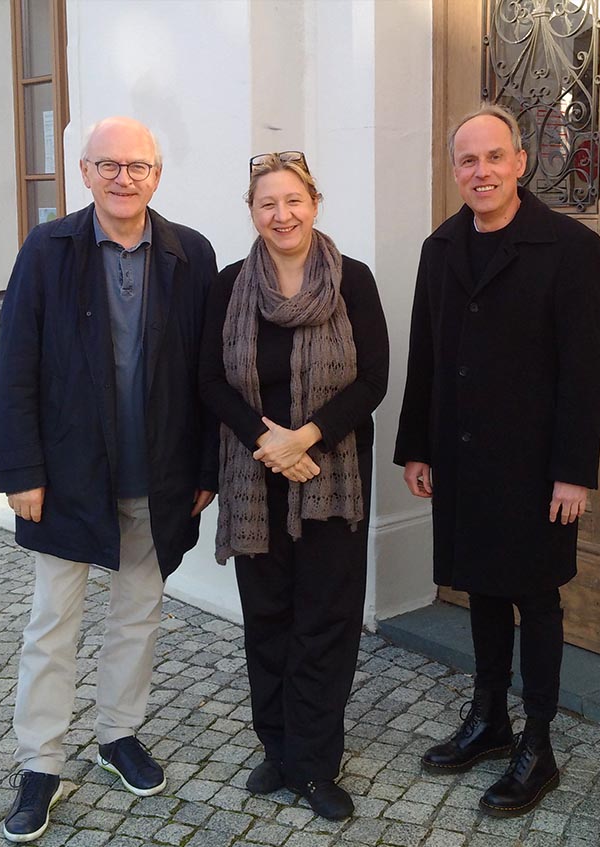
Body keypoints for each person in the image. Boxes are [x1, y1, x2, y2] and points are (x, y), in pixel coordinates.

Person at [0, 116, 217, 843]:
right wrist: (20, 469)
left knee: (139, 612)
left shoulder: (191, 254)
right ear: (84, 172)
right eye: (109, 165)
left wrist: (206, 466)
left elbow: (207, 372)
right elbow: (16, 363)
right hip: (68, 473)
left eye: (138, 166)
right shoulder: (48, 249)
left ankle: (119, 733)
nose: (124, 178)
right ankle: (40, 763)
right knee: (53, 623)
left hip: (159, 472)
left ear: (157, 175)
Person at [394, 102, 600, 817]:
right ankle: (489, 718)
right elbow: (426, 352)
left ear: (521, 162)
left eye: (495, 157)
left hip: (537, 466)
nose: (482, 171)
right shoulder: (441, 247)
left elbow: (587, 370)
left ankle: (538, 743)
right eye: (469, 160)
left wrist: (573, 470)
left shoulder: (570, 248)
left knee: (536, 596)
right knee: (481, 588)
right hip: (461, 456)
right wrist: (416, 445)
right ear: (455, 170)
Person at [199, 151, 388, 820]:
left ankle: (315, 762)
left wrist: (305, 437)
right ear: (252, 212)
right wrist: (267, 441)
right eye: (267, 204)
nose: (282, 215)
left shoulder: (352, 280)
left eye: (293, 201)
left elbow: (373, 381)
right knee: (268, 618)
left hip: (330, 475)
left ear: (314, 204)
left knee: (325, 621)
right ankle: (277, 748)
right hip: (255, 477)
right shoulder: (229, 285)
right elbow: (209, 380)